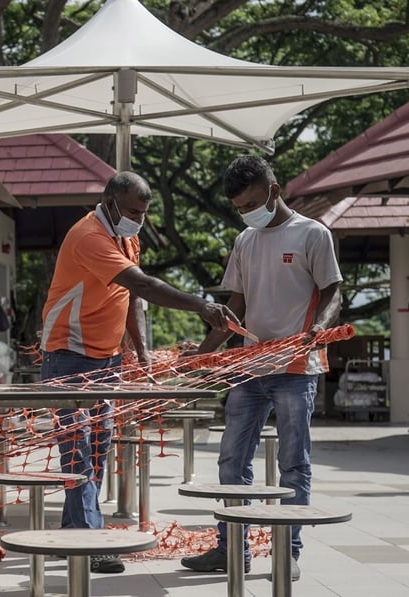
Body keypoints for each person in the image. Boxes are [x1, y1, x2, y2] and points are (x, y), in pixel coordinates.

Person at [40, 171, 236, 574]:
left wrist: (140, 349)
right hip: (69, 355)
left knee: (97, 448)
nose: (138, 219)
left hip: (108, 358)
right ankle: (90, 544)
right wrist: (200, 305)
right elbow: (142, 284)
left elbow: (127, 296)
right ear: (110, 201)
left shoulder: (126, 236)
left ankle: (71, 533)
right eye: (132, 211)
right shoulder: (89, 236)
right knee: (78, 451)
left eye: (144, 213)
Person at [181, 156, 342, 581]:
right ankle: (231, 547)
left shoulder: (312, 234)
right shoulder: (245, 240)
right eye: (238, 207)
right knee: (231, 460)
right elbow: (235, 307)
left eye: (251, 201)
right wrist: (201, 355)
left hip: (294, 367)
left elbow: (333, 290)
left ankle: (289, 552)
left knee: (293, 463)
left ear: (274, 191)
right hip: (248, 367)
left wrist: (320, 329)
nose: (246, 212)